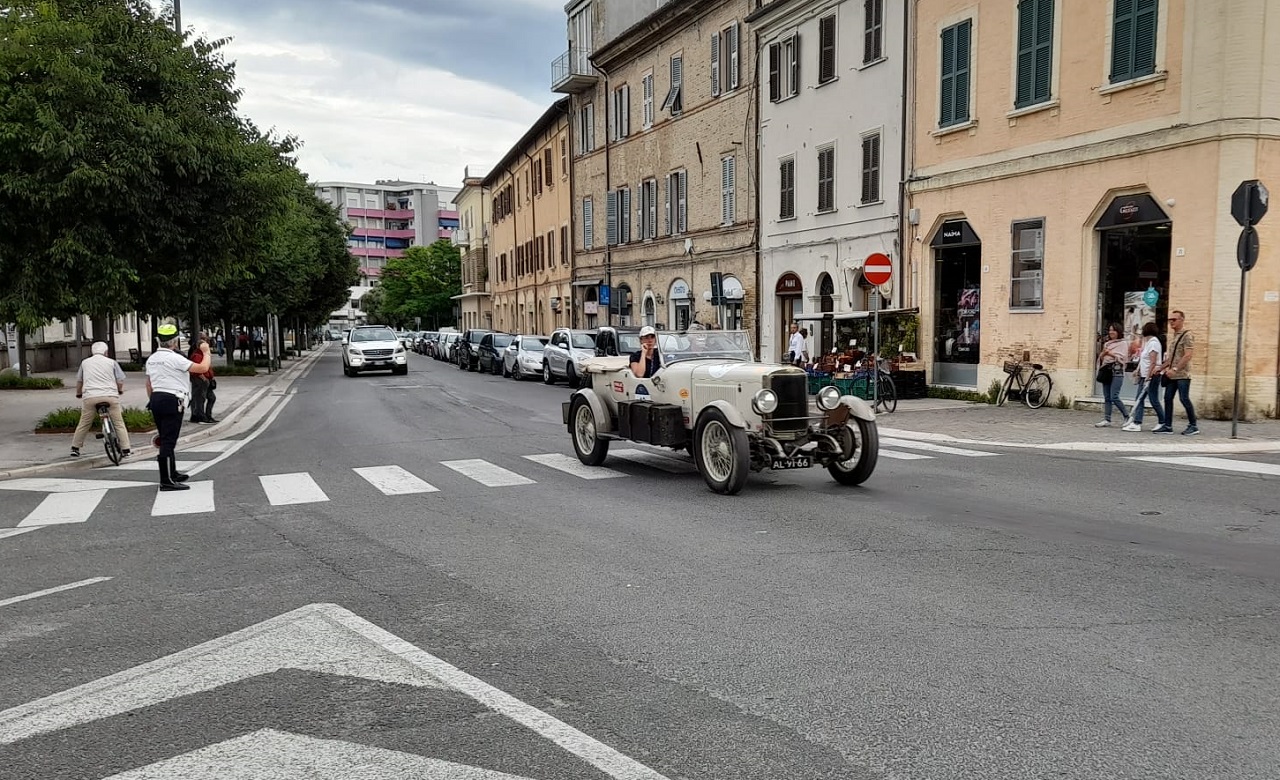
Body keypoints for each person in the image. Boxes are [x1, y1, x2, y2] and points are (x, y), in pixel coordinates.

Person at [145, 324, 212, 491]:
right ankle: (166, 480)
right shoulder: (175, 358)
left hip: (156, 398)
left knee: (166, 436)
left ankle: (172, 472)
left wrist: (153, 399)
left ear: (158, 341)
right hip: (172, 399)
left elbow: (149, 383)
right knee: (169, 440)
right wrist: (206, 352)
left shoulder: (152, 359)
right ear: (174, 341)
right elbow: (202, 368)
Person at [70, 342, 131, 459]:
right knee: (118, 423)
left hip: (90, 397)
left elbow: (79, 381)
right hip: (110, 396)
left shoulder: (85, 363)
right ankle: (126, 449)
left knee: (84, 422)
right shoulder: (112, 363)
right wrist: (119, 390)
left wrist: (78, 393)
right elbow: (120, 380)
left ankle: (75, 448)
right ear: (106, 352)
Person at [1154, 310, 1198, 435]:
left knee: (1184, 398)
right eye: (1170, 320)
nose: (1171, 322)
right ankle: (1168, 426)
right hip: (1171, 375)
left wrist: (1175, 369)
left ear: (1182, 320)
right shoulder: (1174, 336)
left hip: (1182, 374)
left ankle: (1193, 425)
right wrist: (1161, 367)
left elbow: (1188, 355)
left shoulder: (1187, 335)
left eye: (1174, 319)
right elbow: (1171, 357)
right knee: (1167, 398)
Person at [1123, 321, 1164, 432]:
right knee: (1139, 399)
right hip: (1144, 376)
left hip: (1151, 376)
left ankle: (1162, 421)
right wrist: (1137, 370)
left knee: (1152, 399)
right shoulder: (1148, 343)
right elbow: (1143, 360)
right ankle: (1137, 422)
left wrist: (1148, 377)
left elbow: (1153, 361)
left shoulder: (1154, 343)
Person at [1093, 323, 1130, 427]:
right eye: (1110, 330)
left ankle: (1127, 416)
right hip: (1106, 371)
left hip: (1117, 372)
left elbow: (1123, 359)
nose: (1111, 332)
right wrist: (1103, 354)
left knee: (1114, 396)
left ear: (1118, 331)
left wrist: (1110, 354)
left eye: (1113, 330)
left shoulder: (1123, 344)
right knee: (1107, 397)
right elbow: (1101, 357)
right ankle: (1107, 419)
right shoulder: (1107, 344)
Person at [188, 333, 212, 424]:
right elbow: (197, 368)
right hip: (200, 379)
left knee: (206, 397)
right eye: (204, 339)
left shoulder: (202, 354)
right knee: (199, 398)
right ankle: (199, 416)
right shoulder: (197, 355)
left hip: (204, 378)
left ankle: (204, 415)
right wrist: (203, 377)